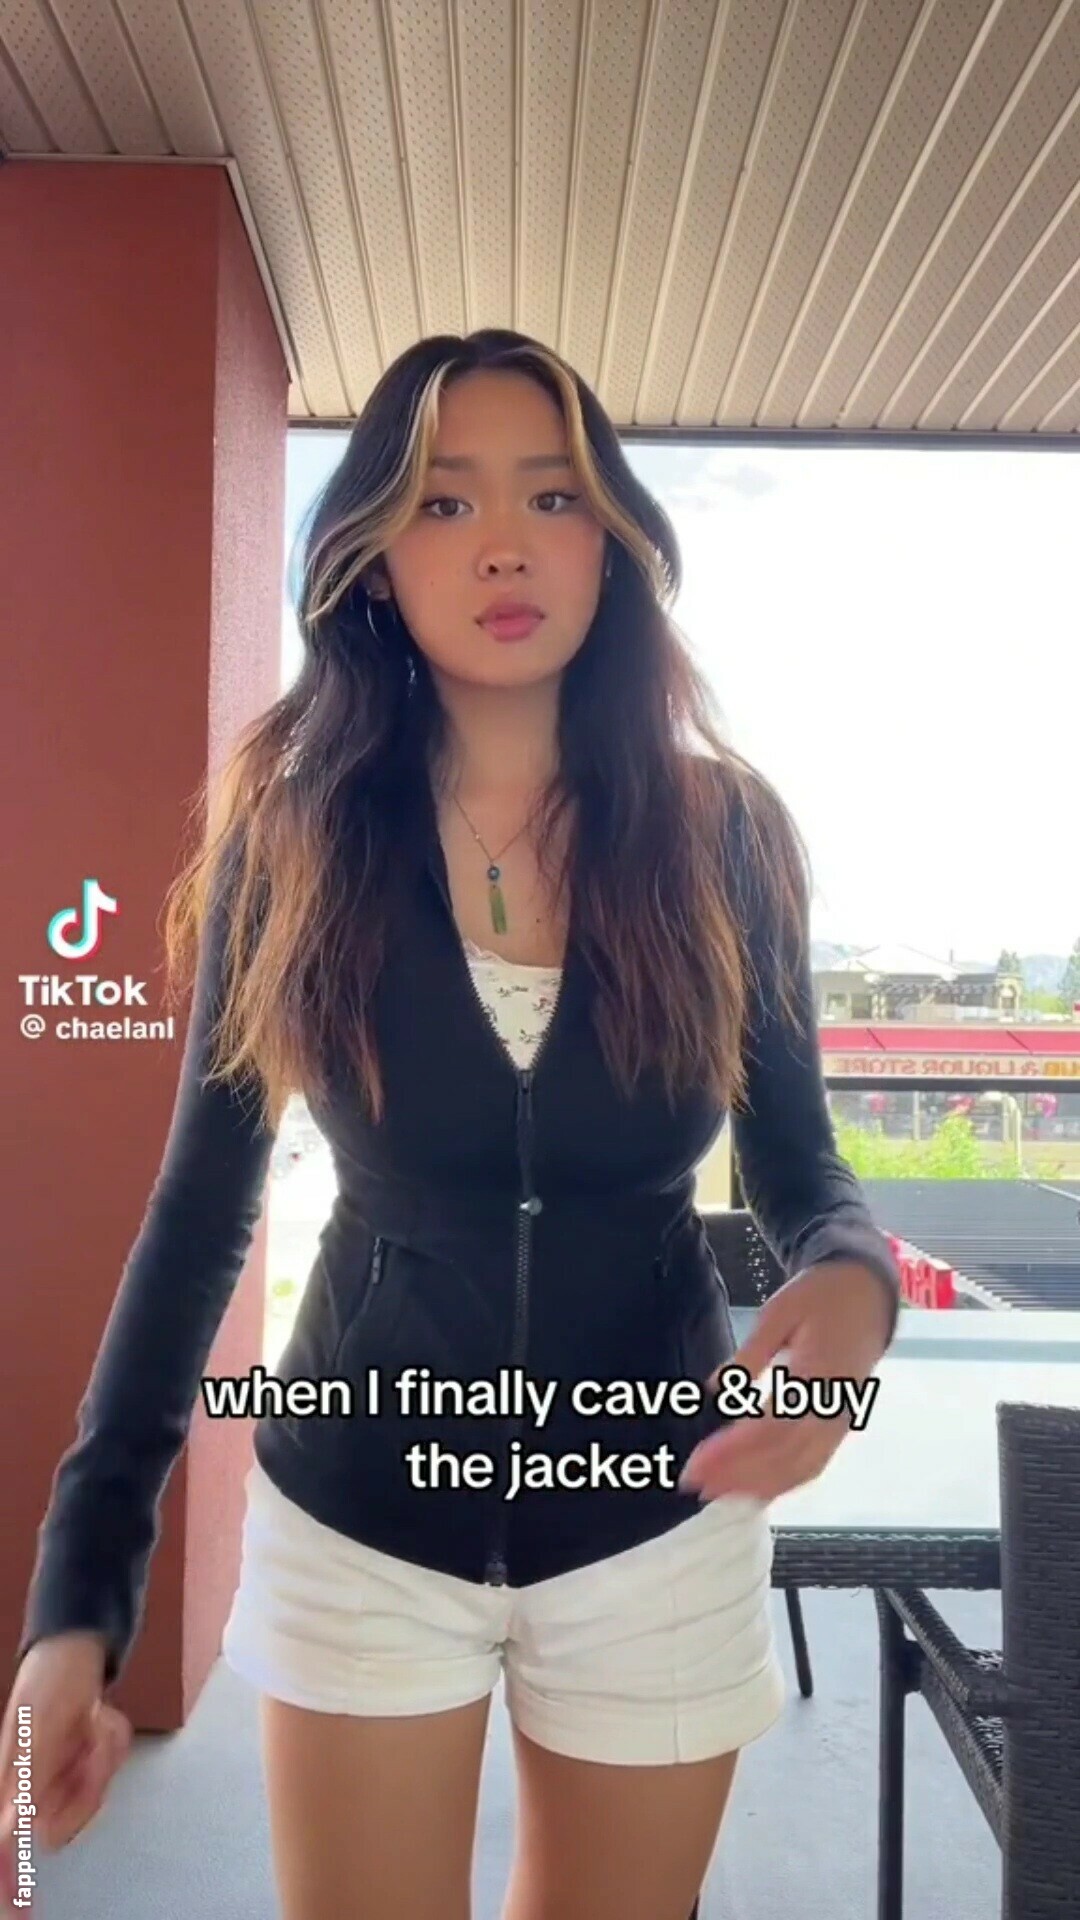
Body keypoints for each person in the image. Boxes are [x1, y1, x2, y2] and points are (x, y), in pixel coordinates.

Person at [0, 330, 900, 1920]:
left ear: (613, 541)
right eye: (440, 501)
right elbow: (199, 1218)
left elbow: (800, 1165)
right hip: (360, 1522)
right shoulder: (296, 841)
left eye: (551, 496)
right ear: (371, 555)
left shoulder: (727, 836)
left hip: (658, 1520)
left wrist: (854, 1283)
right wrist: (81, 1594)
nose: (500, 543)